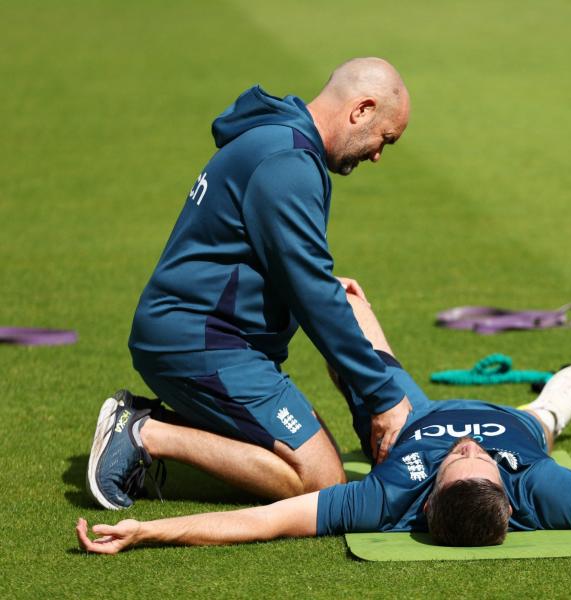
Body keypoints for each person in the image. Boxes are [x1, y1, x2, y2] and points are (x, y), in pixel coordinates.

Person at [77, 292, 571, 552]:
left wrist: (154, 532)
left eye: (460, 460)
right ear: (506, 488)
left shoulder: (387, 496)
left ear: (425, 500)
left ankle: (147, 430)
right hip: (523, 418)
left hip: (405, 416)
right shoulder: (544, 491)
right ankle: (551, 405)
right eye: (475, 458)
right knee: (569, 390)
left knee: (360, 344)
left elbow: (267, 522)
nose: (467, 446)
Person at [86, 57, 415, 511]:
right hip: (202, 343)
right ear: (361, 110)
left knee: (311, 448)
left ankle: (154, 422)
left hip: (194, 334)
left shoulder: (275, 139)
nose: (378, 154)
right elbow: (313, 296)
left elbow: (250, 252)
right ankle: (144, 432)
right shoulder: (288, 162)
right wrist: (385, 396)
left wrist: (321, 282)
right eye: (385, 139)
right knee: (321, 480)